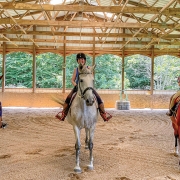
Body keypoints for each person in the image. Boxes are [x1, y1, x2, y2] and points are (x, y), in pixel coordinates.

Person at [56, 53, 112, 122]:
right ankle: (63, 114)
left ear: (84, 60)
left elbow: (92, 78)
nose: (81, 60)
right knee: (68, 98)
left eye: (82, 59)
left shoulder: (89, 68)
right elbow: (72, 80)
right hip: (78, 87)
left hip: (88, 87)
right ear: (77, 61)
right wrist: (76, 85)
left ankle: (103, 114)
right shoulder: (76, 70)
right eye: (79, 59)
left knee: (98, 98)